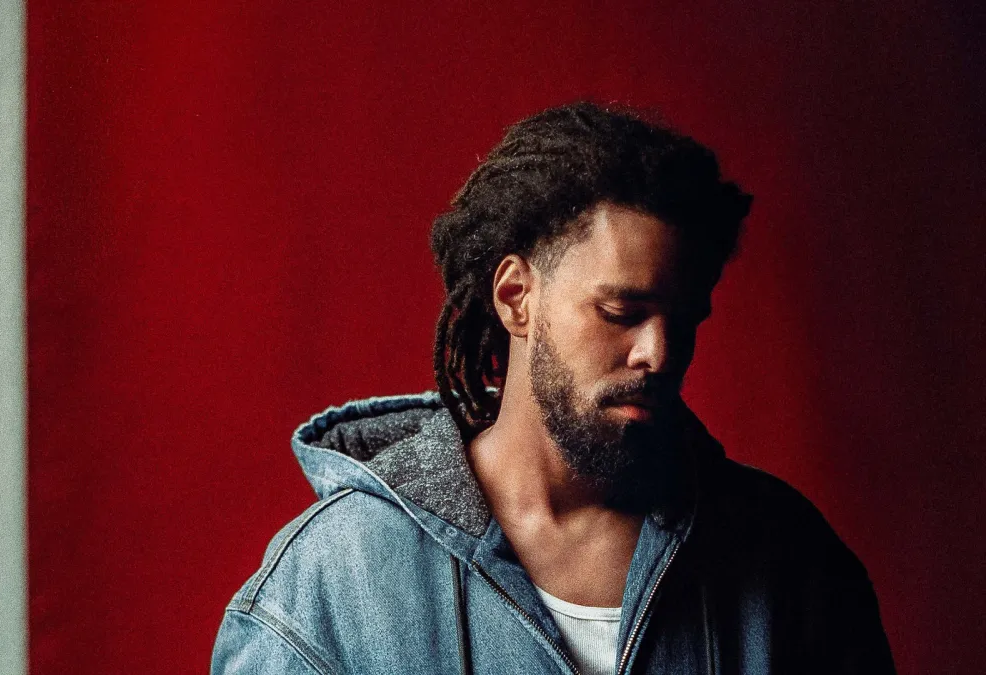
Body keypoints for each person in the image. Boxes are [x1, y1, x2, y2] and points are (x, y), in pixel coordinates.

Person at [210, 102, 894, 674]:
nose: (658, 352)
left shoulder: (792, 564)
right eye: (621, 312)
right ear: (517, 298)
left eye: (683, 320)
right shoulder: (333, 583)